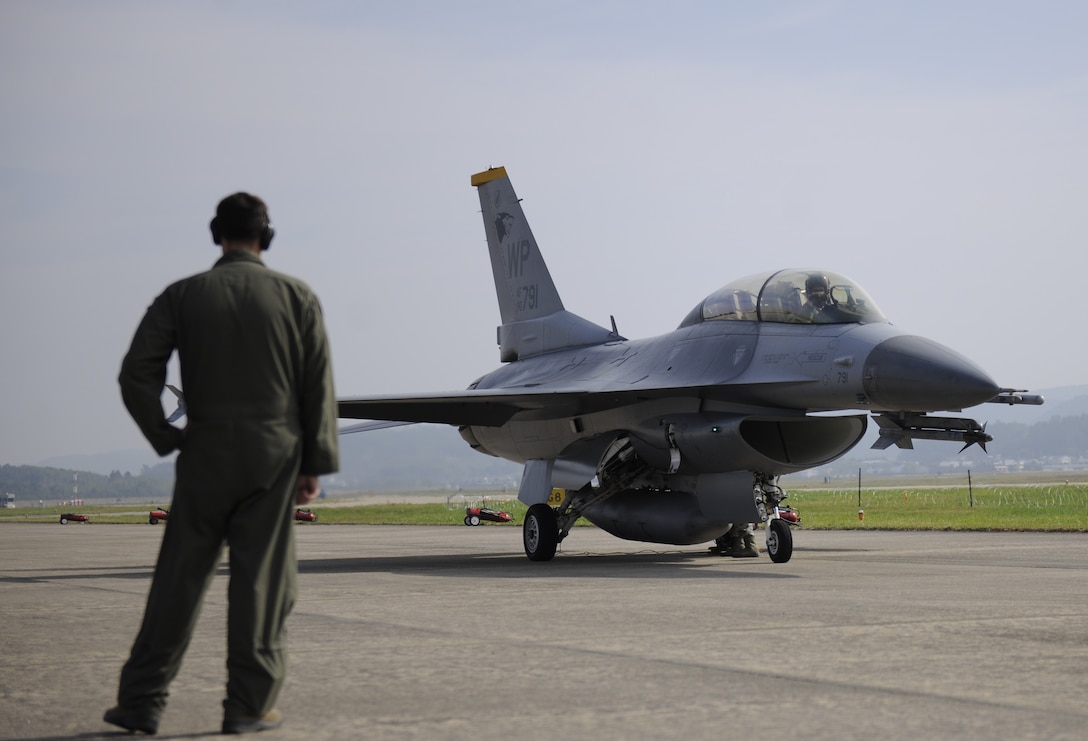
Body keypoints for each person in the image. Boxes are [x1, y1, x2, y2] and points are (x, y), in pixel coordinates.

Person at [104, 192, 340, 735]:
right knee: (261, 586)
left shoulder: (183, 296)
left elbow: (136, 374)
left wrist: (166, 436)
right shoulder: (296, 296)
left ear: (217, 234)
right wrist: (315, 463)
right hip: (272, 459)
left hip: (204, 454)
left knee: (177, 583)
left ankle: (141, 702)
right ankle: (247, 706)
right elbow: (317, 387)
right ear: (267, 237)